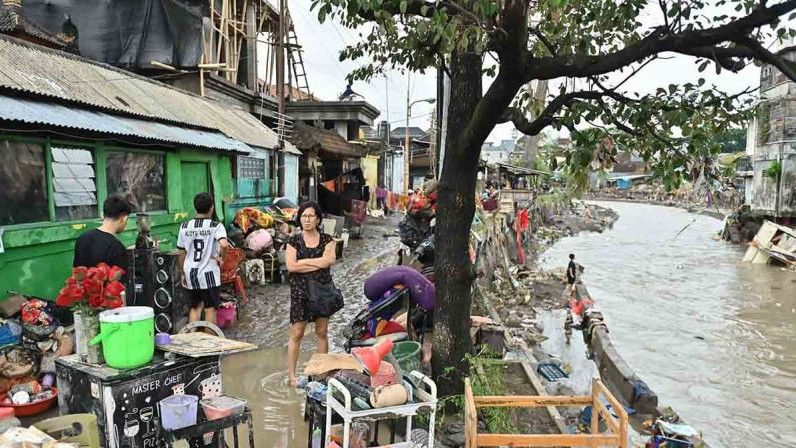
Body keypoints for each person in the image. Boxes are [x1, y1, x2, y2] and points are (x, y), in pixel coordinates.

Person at [286, 202, 337, 387]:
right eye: (304, 216)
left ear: (318, 218)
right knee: (296, 333)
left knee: (322, 332)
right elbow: (291, 266)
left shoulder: (327, 239)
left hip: (322, 291)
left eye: (310, 216)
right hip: (300, 293)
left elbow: (329, 260)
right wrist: (317, 261)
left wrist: (304, 262)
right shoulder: (293, 241)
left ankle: (322, 374)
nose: (307, 219)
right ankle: (291, 377)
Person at [177, 193, 229, 326]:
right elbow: (224, 244)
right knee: (210, 309)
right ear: (212, 207)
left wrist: (182, 271)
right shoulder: (215, 226)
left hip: (191, 273)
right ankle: (210, 343)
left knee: (194, 308)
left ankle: (192, 341)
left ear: (195, 208)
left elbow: (181, 252)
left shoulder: (184, 226)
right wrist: (222, 259)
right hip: (209, 273)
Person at [73, 196, 132, 271]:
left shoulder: (82, 239)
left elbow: (76, 274)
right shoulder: (117, 248)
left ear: (103, 215)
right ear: (124, 218)